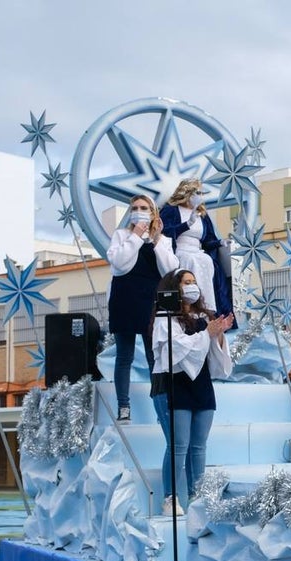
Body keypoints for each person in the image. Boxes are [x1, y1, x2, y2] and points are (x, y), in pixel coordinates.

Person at [150, 269, 234, 514]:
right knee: (178, 445)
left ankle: (198, 497)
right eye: (187, 282)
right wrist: (206, 334)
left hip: (201, 385)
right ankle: (170, 498)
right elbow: (174, 352)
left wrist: (217, 336)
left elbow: (214, 357)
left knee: (199, 446)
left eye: (194, 282)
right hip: (173, 385)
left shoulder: (203, 316)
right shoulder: (165, 319)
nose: (192, 286)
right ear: (174, 287)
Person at [105, 195, 178, 422]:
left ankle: (160, 404)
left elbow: (170, 269)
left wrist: (155, 240)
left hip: (151, 302)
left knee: (153, 356)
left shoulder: (163, 240)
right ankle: (123, 407)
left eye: (144, 208)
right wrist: (136, 235)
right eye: (135, 208)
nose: (139, 211)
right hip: (124, 300)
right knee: (124, 356)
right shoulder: (122, 235)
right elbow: (120, 263)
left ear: (153, 212)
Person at [160, 179, 235, 321]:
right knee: (191, 261)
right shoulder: (171, 210)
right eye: (197, 192)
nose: (200, 196)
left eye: (201, 193)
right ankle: (190, 306)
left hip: (198, 250)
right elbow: (164, 232)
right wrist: (186, 224)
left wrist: (220, 242)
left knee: (206, 260)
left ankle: (207, 307)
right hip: (180, 250)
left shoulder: (202, 215)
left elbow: (207, 241)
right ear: (187, 192)